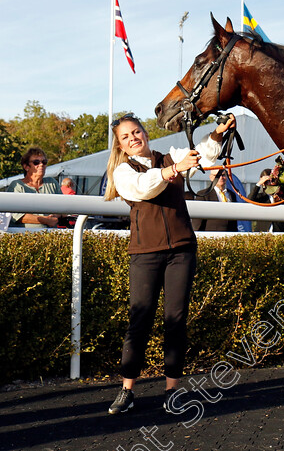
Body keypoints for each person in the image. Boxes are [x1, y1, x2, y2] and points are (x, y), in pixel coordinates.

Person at [103, 113, 234, 415]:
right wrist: (173, 170)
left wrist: (216, 134)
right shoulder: (124, 171)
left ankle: (171, 391)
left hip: (181, 251)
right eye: (126, 136)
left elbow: (200, 154)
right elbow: (142, 188)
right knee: (140, 321)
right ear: (120, 146)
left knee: (175, 321)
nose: (133, 138)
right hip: (145, 253)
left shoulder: (168, 156)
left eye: (136, 132)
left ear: (145, 133)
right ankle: (127, 390)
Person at [6, 147, 62, 228]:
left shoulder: (52, 183)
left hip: (51, 235)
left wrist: (56, 215)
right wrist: (46, 220)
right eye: (36, 162)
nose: (41, 165)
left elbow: (64, 209)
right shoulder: (17, 186)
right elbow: (16, 216)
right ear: (26, 167)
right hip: (25, 235)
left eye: (44, 162)